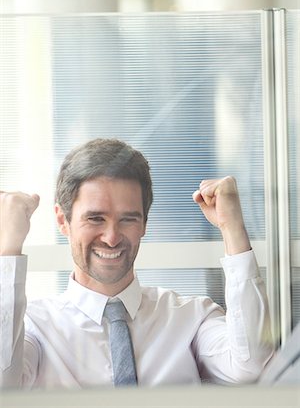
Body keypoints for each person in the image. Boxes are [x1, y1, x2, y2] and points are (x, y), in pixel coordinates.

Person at [0, 138, 274, 389]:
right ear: (63, 221)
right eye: (95, 218)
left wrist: (232, 228)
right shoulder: (34, 325)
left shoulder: (190, 317)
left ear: (144, 222)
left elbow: (249, 365)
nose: (111, 237)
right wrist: (8, 248)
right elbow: (3, 383)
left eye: (128, 218)